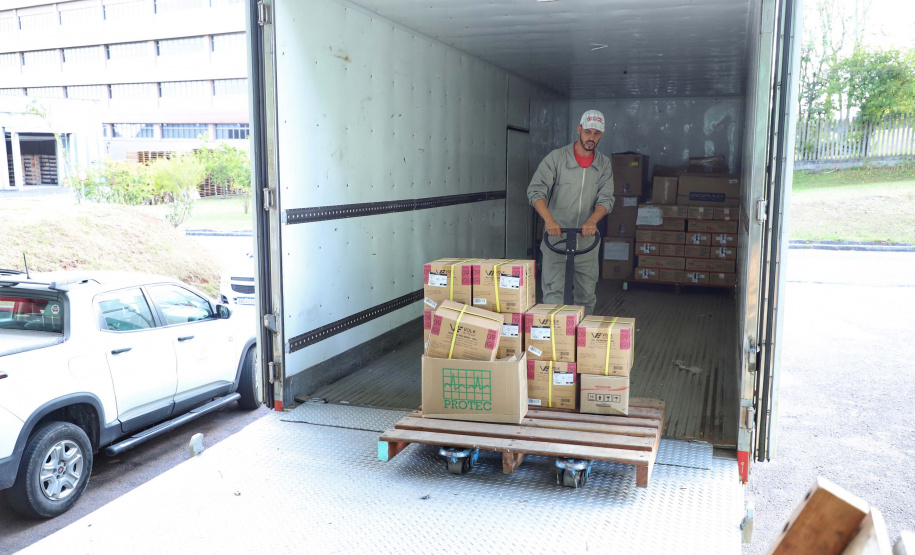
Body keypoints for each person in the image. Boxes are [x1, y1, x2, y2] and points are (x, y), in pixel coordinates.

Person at [527, 110, 615, 315]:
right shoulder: (556, 158)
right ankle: (555, 342)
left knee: (586, 296)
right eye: (587, 132)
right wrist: (549, 221)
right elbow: (535, 190)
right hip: (555, 239)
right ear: (579, 130)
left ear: (602, 134)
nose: (591, 137)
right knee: (553, 295)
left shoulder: (603, 165)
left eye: (596, 133)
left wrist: (592, 221)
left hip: (586, 241)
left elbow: (607, 198)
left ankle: (579, 341)